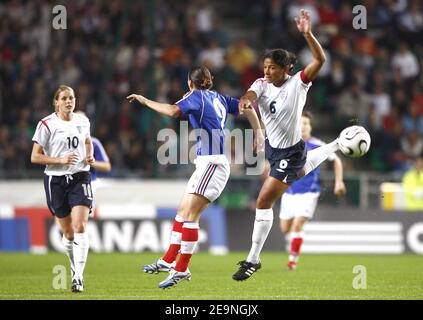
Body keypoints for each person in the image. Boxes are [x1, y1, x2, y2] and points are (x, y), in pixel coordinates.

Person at [127, 66, 264, 289]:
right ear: (210, 81)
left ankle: (181, 269)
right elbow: (246, 104)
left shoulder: (195, 96)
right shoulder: (218, 97)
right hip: (208, 164)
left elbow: (173, 111)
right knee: (183, 211)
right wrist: (258, 132)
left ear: (190, 83)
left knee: (190, 215)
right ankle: (168, 260)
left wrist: (145, 101)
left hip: (212, 163)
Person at [232, 9, 342, 281]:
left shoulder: (298, 84)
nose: (267, 71)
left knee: (263, 201)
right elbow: (250, 93)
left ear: (286, 69)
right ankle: (335, 145)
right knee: (298, 175)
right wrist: (246, 100)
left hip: (289, 153)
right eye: (265, 66)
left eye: (272, 67)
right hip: (275, 150)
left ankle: (253, 259)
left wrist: (307, 34)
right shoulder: (262, 83)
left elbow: (320, 58)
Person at [31, 85, 94, 292]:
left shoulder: (83, 121)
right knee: (68, 233)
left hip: (80, 177)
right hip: (56, 181)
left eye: (72, 98)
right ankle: (73, 266)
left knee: (80, 226)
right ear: (56, 102)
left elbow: (87, 141)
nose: (69, 101)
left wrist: (89, 155)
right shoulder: (46, 124)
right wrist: (60, 160)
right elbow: (35, 156)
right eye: (64, 98)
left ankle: (78, 277)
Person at [280, 111, 346, 270]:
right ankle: (296, 242)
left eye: (306, 123)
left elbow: (336, 160)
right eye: (300, 123)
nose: (303, 127)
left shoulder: (318, 145)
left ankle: (292, 260)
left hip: (309, 193)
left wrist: (339, 182)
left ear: (310, 127)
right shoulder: (288, 143)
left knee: (298, 225)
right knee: (285, 228)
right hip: (289, 192)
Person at [75, 111, 112, 192]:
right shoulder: (66, 142)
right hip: (70, 183)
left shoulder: (94, 143)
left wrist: (91, 162)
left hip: (90, 182)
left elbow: (107, 166)